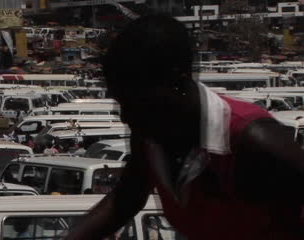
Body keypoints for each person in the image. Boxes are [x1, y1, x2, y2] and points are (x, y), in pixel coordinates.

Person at [65, 14, 304, 240]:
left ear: (177, 81)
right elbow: (126, 199)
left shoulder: (253, 140)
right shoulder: (149, 134)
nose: (126, 116)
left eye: (135, 101)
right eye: (121, 103)